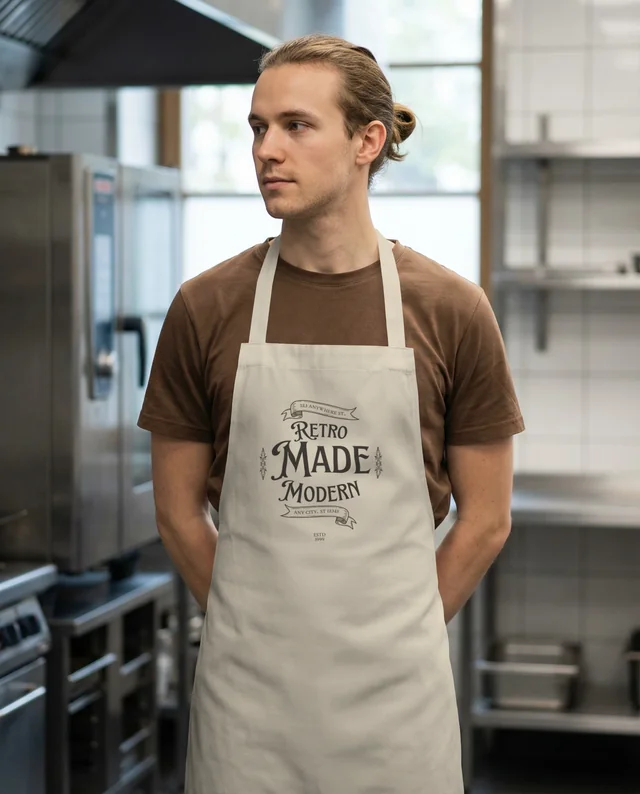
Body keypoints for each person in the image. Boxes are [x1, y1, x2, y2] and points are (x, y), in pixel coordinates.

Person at [138, 33, 524, 794]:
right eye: (258, 127)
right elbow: (177, 512)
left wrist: (399, 637)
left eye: (296, 126)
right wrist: (254, 631)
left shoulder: (451, 309)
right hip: (247, 712)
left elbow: (486, 519)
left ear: (366, 142)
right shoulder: (205, 307)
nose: (266, 151)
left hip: (396, 714)